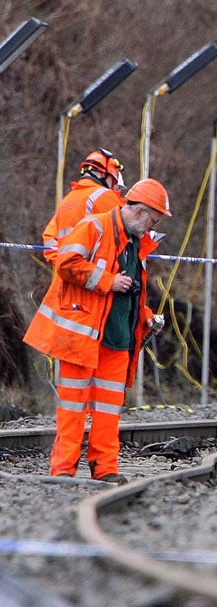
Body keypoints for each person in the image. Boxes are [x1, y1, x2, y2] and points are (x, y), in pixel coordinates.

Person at [23, 178, 171, 483]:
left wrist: (145, 317)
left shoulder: (134, 245)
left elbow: (131, 293)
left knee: (108, 410)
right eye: (152, 221)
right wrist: (107, 281)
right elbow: (66, 263)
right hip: (82, 337)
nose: (150, 228)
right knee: (73, 407)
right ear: (140, 211)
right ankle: (63, 469)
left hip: (117, 341)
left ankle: (105, 469)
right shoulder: (95, 227)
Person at [42, 148, 125, 263]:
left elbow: (49, 239)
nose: (114, 185)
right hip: (92, 274)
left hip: (65, 277)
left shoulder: (66, 200)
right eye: (113, 180)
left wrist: (66, 264)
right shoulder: (105, 196)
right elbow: (125, 232)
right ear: (103, 174)